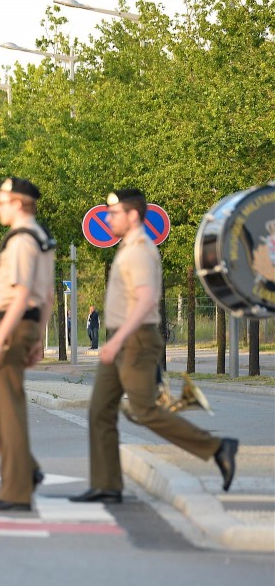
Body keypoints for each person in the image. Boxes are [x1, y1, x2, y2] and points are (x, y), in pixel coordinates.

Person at [71, 189, 238, 504]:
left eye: (114, 213)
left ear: (132, 215)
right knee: (99, 411)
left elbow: (147, 298)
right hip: (121, 339)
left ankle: (216, 448)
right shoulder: (127, 248)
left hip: (134, 340)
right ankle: (107, 484)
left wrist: (117, 340)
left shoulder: (140, 250)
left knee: (143, 410)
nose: (108, 218)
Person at [0, 178, 56, 512]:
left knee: (7, 407)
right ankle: (25, 467)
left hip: (13, 326)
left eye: (2, 201)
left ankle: (17, 489)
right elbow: (46, 295)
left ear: (19, 204)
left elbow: (21, 295)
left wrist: (0, 338)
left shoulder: (22, 241)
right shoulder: (42, 237)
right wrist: (38, 337)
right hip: (25, 327)